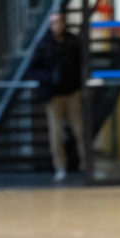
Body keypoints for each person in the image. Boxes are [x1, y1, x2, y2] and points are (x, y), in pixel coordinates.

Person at [29, 11, 84, 182]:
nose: (57, 25)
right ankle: (60, 167)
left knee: (80, 131)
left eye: (59, 22)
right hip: (53, 96)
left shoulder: (73, 42)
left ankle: (86, 165)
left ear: (64, 23)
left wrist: (78, 83)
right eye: (53, 22)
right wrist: (49, 79)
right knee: (56, 133)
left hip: (72, 93)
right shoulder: (44, 44)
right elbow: (33, 69)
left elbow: (81, 64)